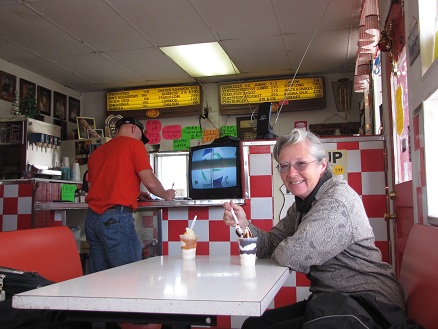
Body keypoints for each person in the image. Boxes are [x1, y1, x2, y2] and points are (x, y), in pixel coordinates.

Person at [223, 129, 420, 329]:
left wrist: (285, 246)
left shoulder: (336, 201)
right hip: (332, 300)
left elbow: (292, 255)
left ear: (322, 165)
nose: (291, 173)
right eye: (284, 166)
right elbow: (270, 244)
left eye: (301, 163)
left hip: (370, 304)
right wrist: (245, 225)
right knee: (253, 325)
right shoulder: (303, 203)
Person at [85, 116, 175, 273]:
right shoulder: (134, 145)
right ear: (134, 129)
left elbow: (95, 187)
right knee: (130, 275)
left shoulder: (97, 153)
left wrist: (134, 192)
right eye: (141, 136)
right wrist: (166, 194)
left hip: (92, 221)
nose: (141, 140)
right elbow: (150, 182)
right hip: (116, 220)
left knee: (99, 280)